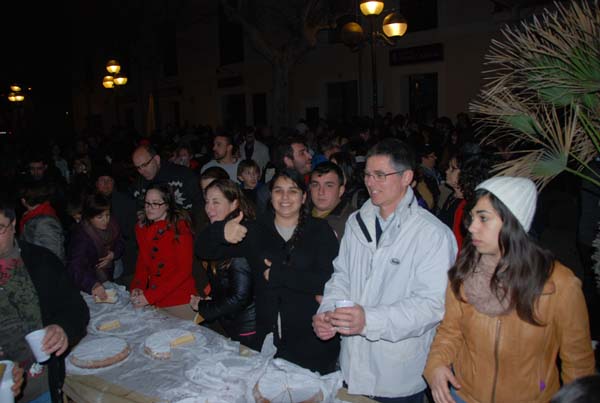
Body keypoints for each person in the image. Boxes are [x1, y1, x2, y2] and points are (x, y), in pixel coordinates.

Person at [424, 176, 595, 403]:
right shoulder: (464, 272)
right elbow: (450, 332)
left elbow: (578, 363)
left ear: (512, 222)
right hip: (464, 396)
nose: (472, 227)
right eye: (472, 217)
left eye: (483, 218)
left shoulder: (558, 285)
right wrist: (436, 365)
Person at [313, 138, 457, 402]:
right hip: (351, 367)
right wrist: (328, 313)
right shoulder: (356, 222)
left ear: (406, 177)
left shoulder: (431, 234)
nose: (371, 182)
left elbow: (431, 306)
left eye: (380, 175)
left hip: (397, 375)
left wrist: (369, 320)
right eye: (367, 175)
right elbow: (341, 276)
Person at [196, 169, 340, 374]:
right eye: (278, 190)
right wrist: (221, 232)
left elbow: (329, 281)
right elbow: (203, 250)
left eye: (292, 191)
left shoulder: (320, 230)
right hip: (269, 339)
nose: (285, 197)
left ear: (303, 197)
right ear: (270, 196)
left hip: (313, 338)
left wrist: (279, 275)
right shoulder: (256, 230)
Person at [0, 199, 89, 403]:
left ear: (13, 224)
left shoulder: (41, 260)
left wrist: (62, 328)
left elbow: (76, 308)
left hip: (41, 387)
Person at [190, 179, 258, 350]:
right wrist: (212, 298)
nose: (209, 208)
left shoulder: (240, 235)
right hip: (232, 322)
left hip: (247, 328)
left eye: (216, 202)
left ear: (234, 204)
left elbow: (240, 297)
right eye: (207, 202)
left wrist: (203, 307)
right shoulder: (217, 233)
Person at [130, 183, 197, 320]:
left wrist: (150, 296)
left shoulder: (180, 228)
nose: (149, 207)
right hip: (153, 297)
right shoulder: (142, 228)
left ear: (167, 205)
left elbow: (184, 271)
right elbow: (142, 263)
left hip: (179, 299)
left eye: (155, 203)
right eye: (147, 203)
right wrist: (138, 286)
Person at [66, 193, 124, 300]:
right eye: (100, 217)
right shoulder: (81, 235)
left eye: (107, 215)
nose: (105, 220)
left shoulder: (113, 224)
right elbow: (74, 266)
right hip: (90, 280)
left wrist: (113, 254)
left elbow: (120, 242)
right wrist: (92, 284)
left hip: (109, 275)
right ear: (89, 217)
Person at [131, 144, 203, 229]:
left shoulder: (184, 176)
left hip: (186, 229)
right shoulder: (139, 185)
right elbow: (138, 214)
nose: (141, 171)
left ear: (157, 159)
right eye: (138, 168)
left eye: (144, 165)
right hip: (154, 233)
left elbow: (201, 207)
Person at [18, 181, 65, 263]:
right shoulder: (32, 215)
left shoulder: (45, 222)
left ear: (23, 201)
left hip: (42, 268)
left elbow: (53, 256)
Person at [309, 161, 355, 239]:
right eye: (315, 185)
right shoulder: (299, 215)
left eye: (329, 186)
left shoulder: (353, 221)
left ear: (341, 190)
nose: (321, 192)